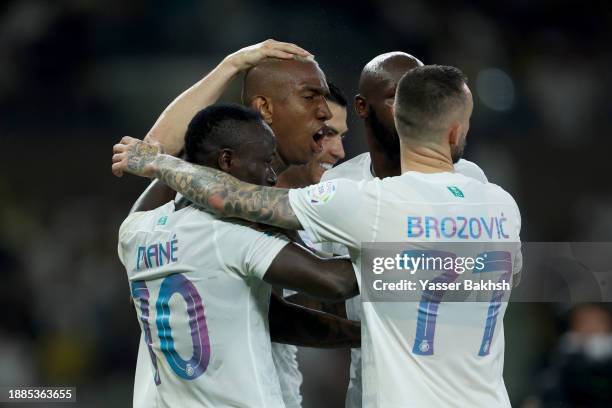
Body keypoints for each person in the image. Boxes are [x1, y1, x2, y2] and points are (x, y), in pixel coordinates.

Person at [112, 64, 522, 407]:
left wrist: (159, 163)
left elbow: (231, 197)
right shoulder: (501, 204)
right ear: (455, 132)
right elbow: (509, 274)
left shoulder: (137, 230)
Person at [117, 104, 359, 407]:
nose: (272, 177)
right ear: (227, 160)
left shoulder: (135, 231)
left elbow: (274, 317)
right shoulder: (228, 236)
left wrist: (361, 336)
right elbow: (334, 281)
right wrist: (423, 262)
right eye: (266, 161)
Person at [320, 51, 490, 408]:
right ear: (362, 107)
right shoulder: (339, 185)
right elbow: (323, 294)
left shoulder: (471, 179)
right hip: (376, 391)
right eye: (398, 95)